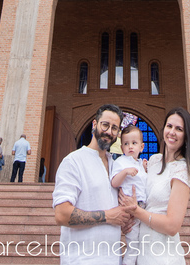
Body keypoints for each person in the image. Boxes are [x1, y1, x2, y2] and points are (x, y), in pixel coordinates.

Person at [52, 104, 136, 265]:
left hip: (112, 258)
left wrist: (123, 221)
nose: (109, 131)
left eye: (114, 128)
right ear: (95, 124)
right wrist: (108, 217)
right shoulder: (74, 161)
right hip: (81, 259)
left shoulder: (115, 165)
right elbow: (61, 214)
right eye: (105, 125)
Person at [135, 108, 190, 265]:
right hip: (143, 248)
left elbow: (172, 226)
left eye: (179, 129)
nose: (172, 132)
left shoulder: (182, 170)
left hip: (164, 254)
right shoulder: (153, 161)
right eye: (169, 126)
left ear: (186, 136)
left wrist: (136, 212)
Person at [110, 125, 148, 265]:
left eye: (134, 143)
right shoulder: (121, 162)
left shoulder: (140, 164)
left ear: (142, 147)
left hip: (143, 209)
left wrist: (144, 170)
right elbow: (114, 182)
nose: (130, 146)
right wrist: (125, 172)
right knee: (133, 244)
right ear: (121, 148)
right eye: (126, 143)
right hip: (129, 209)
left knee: (141, 243)